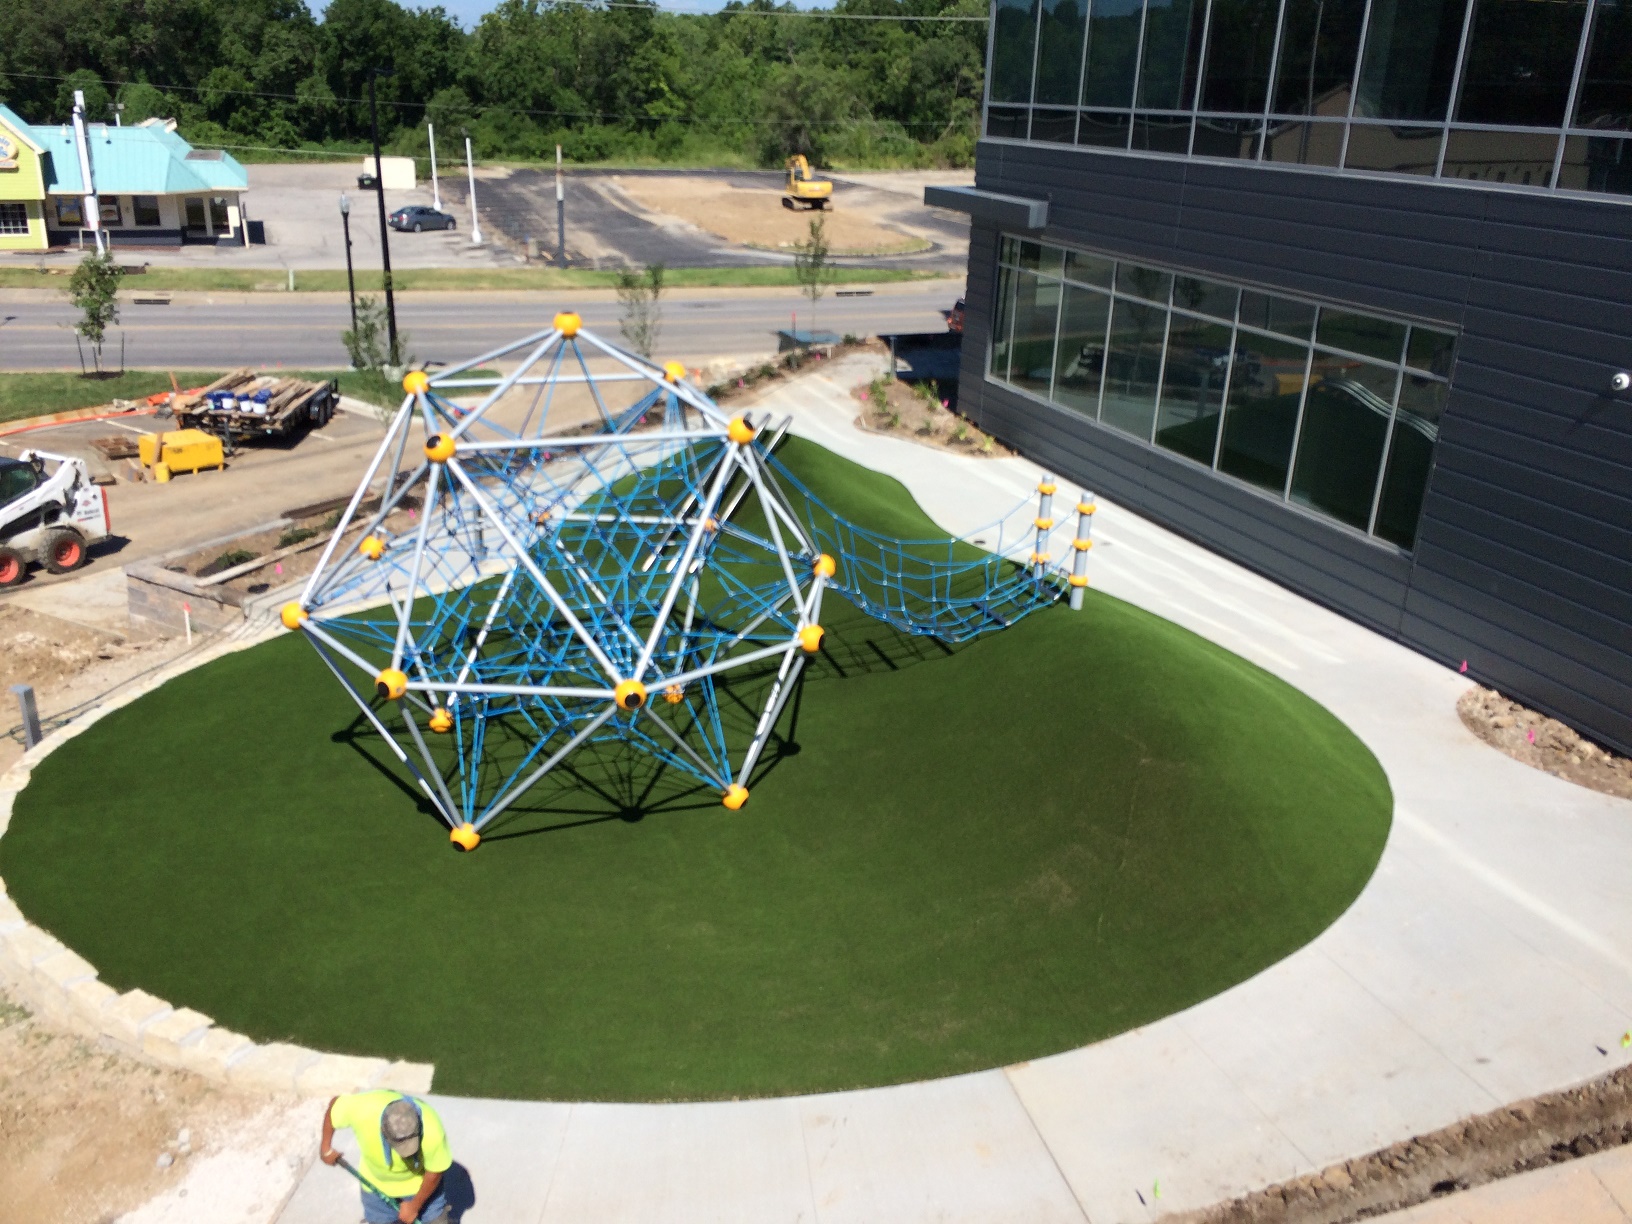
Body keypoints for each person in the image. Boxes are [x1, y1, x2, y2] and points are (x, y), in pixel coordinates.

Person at [321, 1091, 452, 1224]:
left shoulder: (432, 1128)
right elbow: (334, 1105)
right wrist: (325, 1149)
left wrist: (414, 1206)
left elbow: (434, 1173)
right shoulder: (363, 1109)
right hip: (376, 1186)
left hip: (420, 1186)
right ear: (383, 1131)